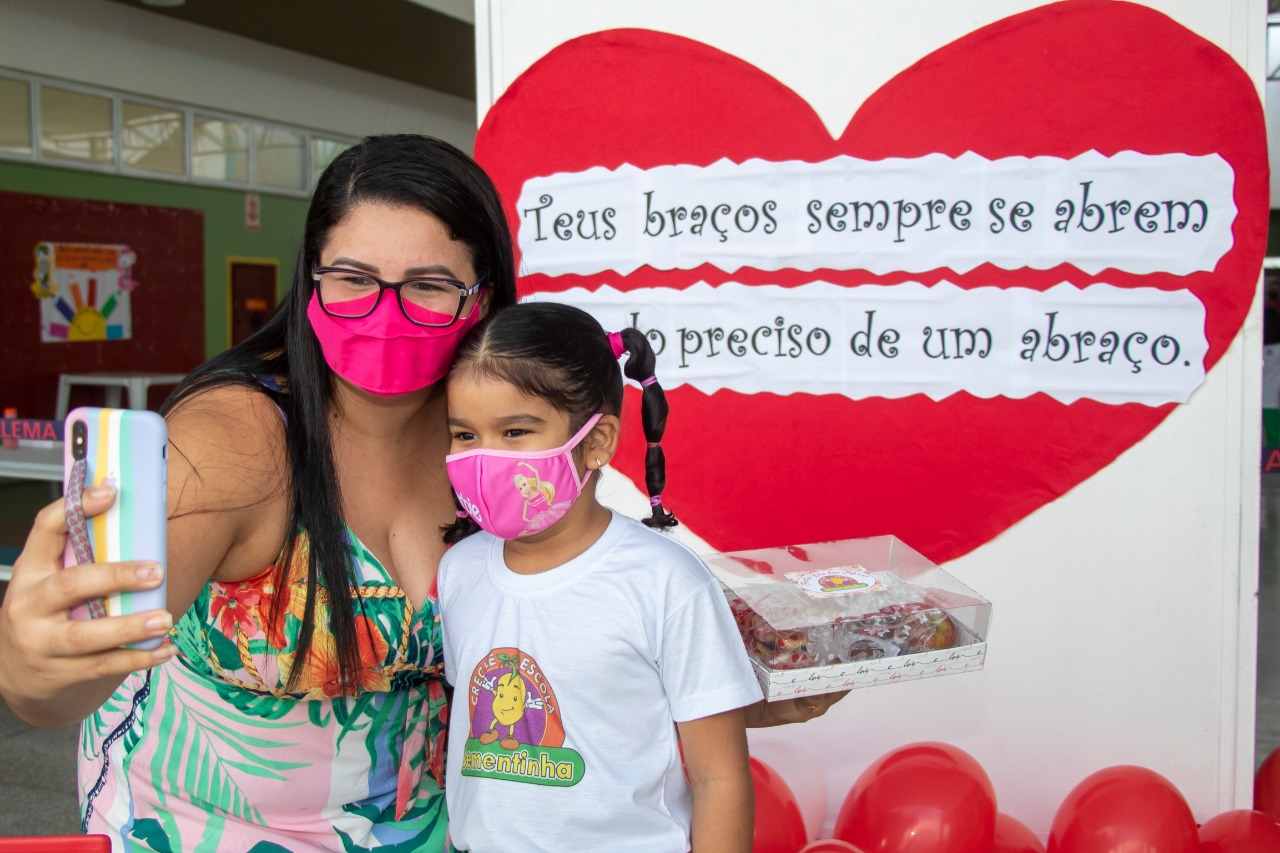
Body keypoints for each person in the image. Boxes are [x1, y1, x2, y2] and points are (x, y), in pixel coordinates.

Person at [0, 135, 842, 852]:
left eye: (430, 285)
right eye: (353, 278)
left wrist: (718, 693)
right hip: (206, 828)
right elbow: (73, 675)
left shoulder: (505, 447)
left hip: (443, 832)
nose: (384, 312)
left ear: (484, 302)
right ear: (312, 280)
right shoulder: (231, 442)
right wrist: (37, 664)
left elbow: (568, 640)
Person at [436, 301, 762, 853]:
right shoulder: (458, 571)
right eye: (465, 435)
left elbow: (719, 778)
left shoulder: (666, 582)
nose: (486, 458)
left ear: (597, 441)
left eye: (515, 431)